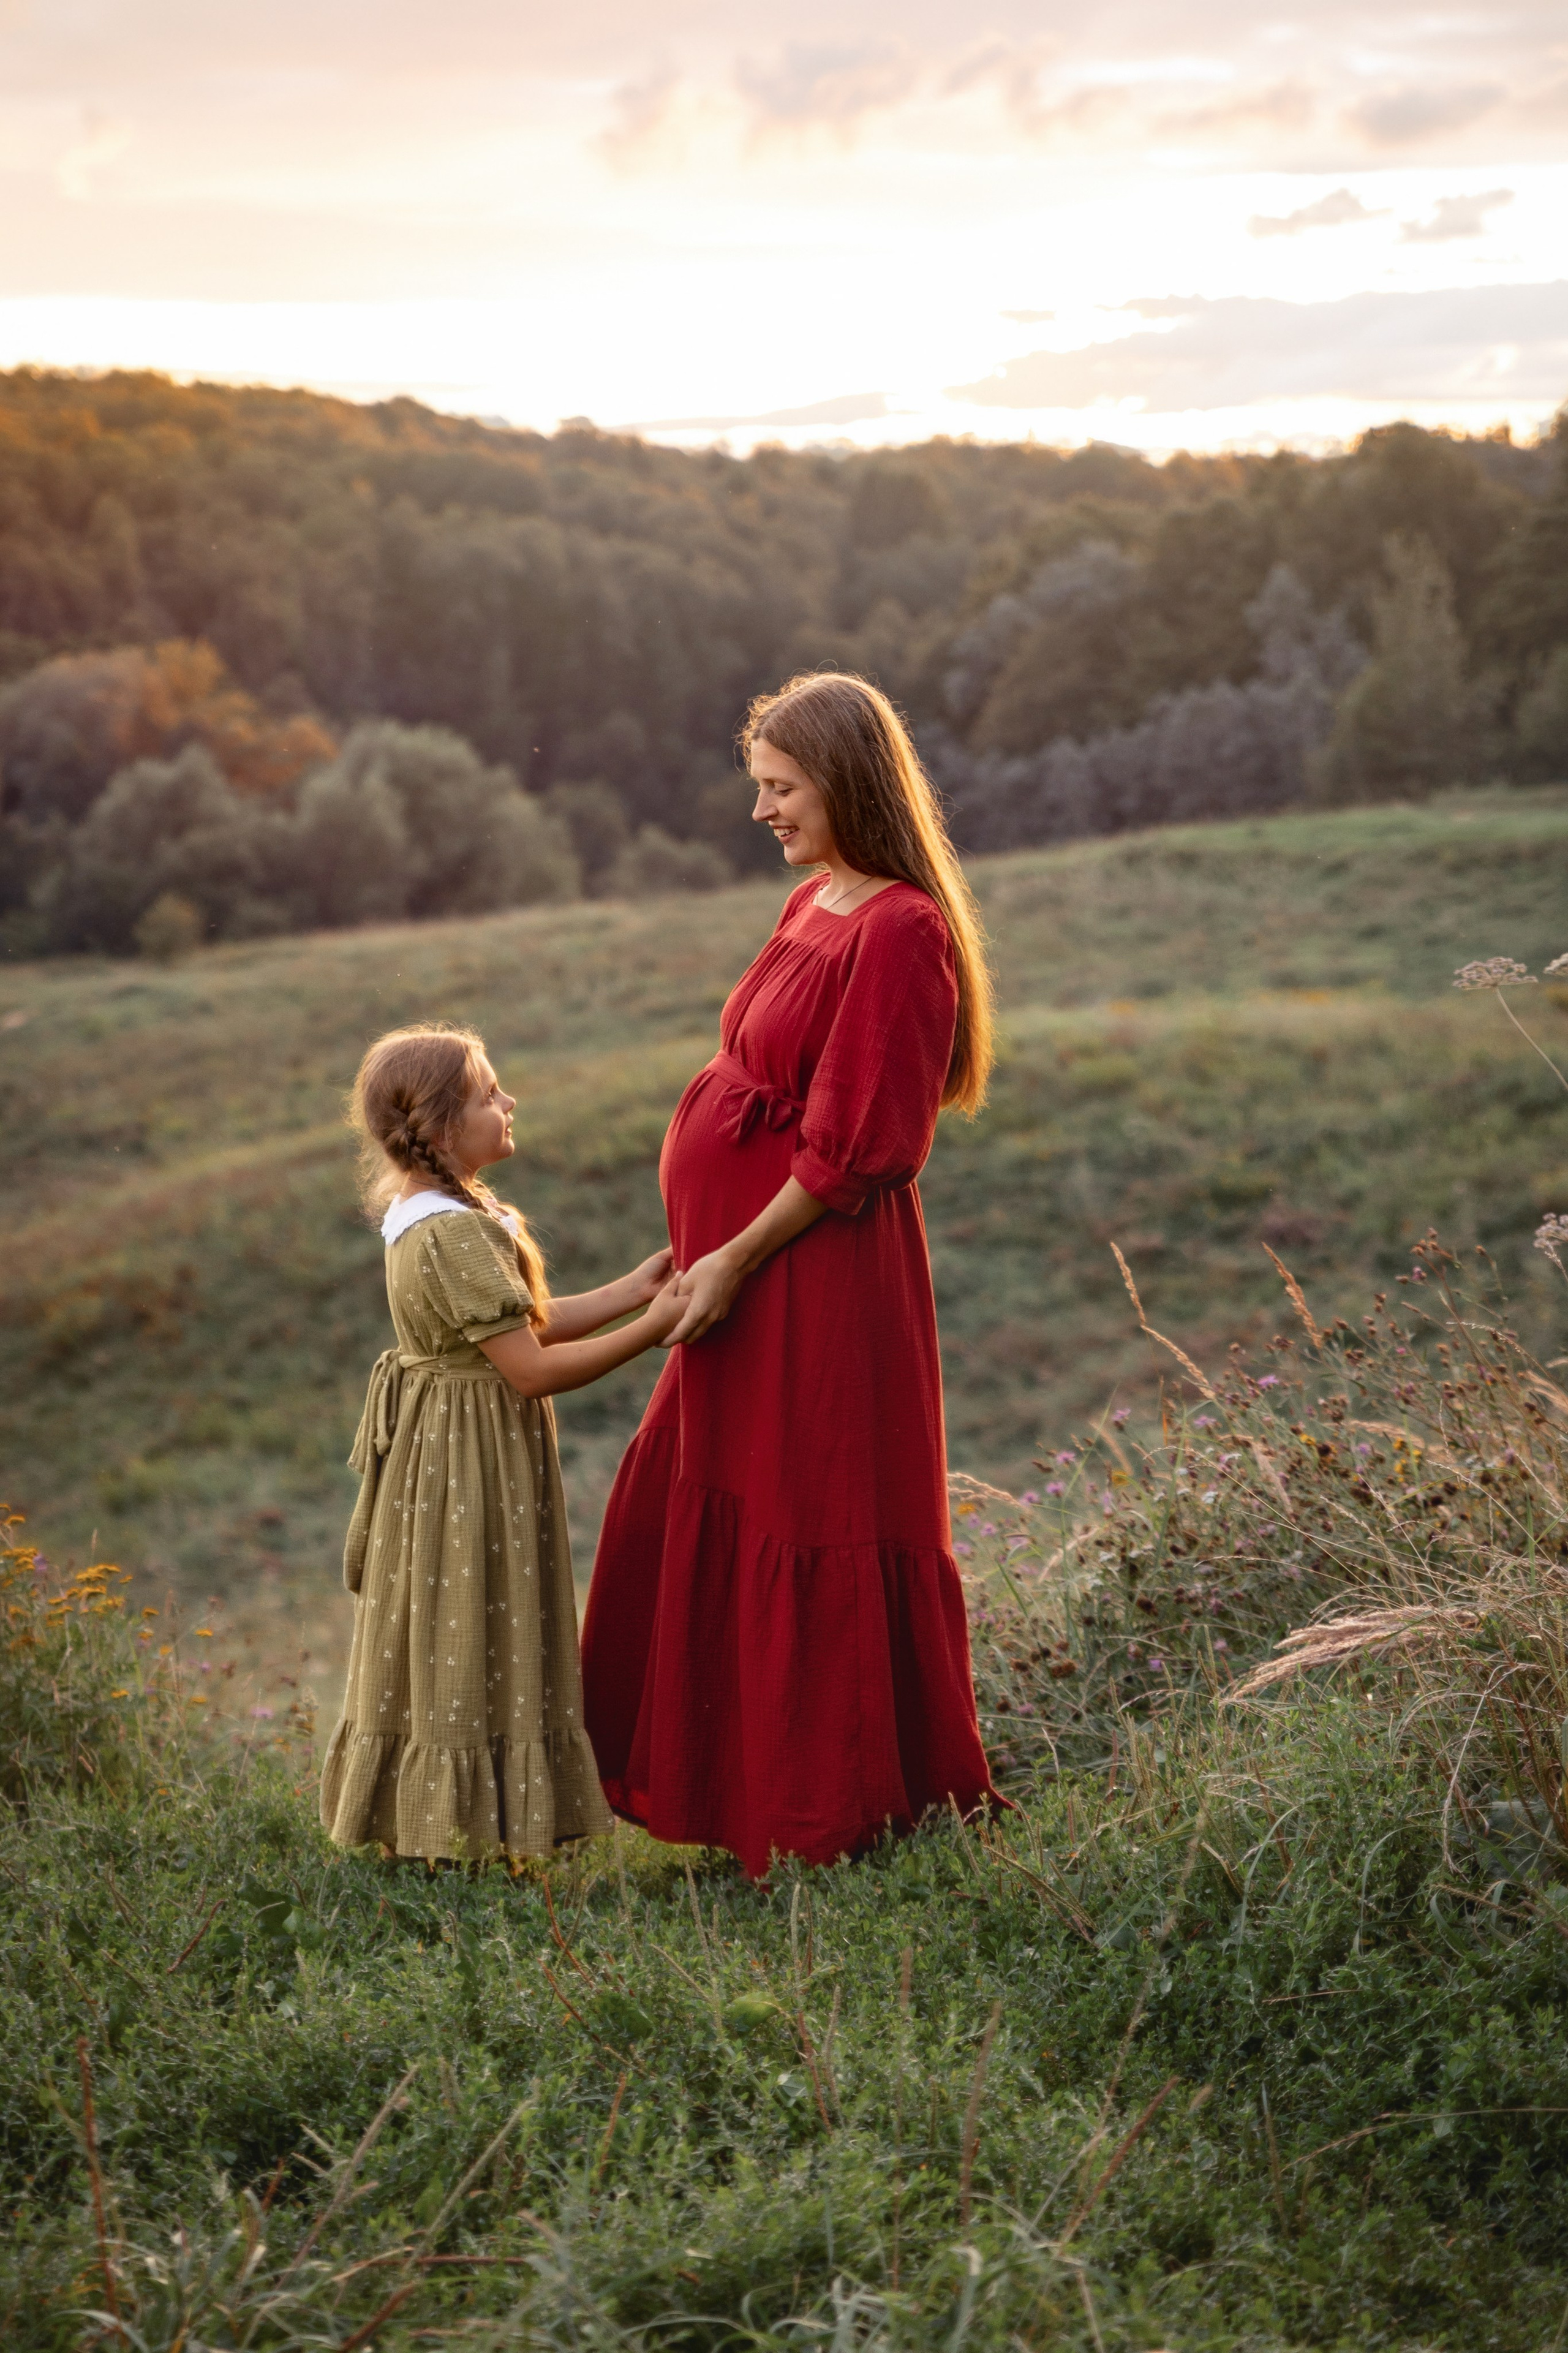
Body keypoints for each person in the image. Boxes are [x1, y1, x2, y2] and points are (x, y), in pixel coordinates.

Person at [581, 672, 1001, 1879]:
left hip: (808, 1280)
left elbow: (855, 1148)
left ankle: (830, 1814)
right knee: (722, 1496)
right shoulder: (819, 897)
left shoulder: (901, 929)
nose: (761, 810)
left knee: (807, 1515)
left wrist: (728, 1259)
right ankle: (743, 1792)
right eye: (757, 787)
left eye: (780, 788)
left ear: (844, 783)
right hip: (740, 1276)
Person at [319, 1022, 682, 1864]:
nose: (508, 1102)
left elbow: (524, 1325)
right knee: (470, 1617)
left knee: (464, 1618)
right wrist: (656, 1328)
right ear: (443, 1129)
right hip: (468, 1456)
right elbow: (529, 1368)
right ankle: (456, 1833)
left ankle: (460, 1829)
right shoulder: (450, 1232)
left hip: (452, 1441)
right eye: (490, 1095)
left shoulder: (442, 1213)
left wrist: (633, 1289)